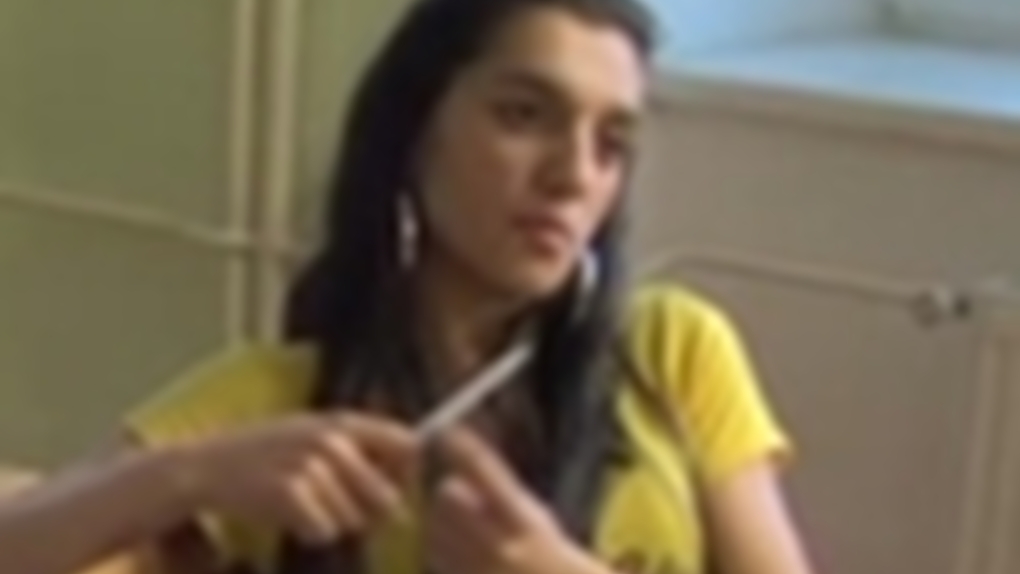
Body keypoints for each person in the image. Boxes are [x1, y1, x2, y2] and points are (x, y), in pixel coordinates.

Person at [0, 0, 815, 573]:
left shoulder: (672, 349)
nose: (574, 176)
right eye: (524, 115)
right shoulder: (281, 400)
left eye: (611, 144)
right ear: (414, 129)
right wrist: (184, 478)